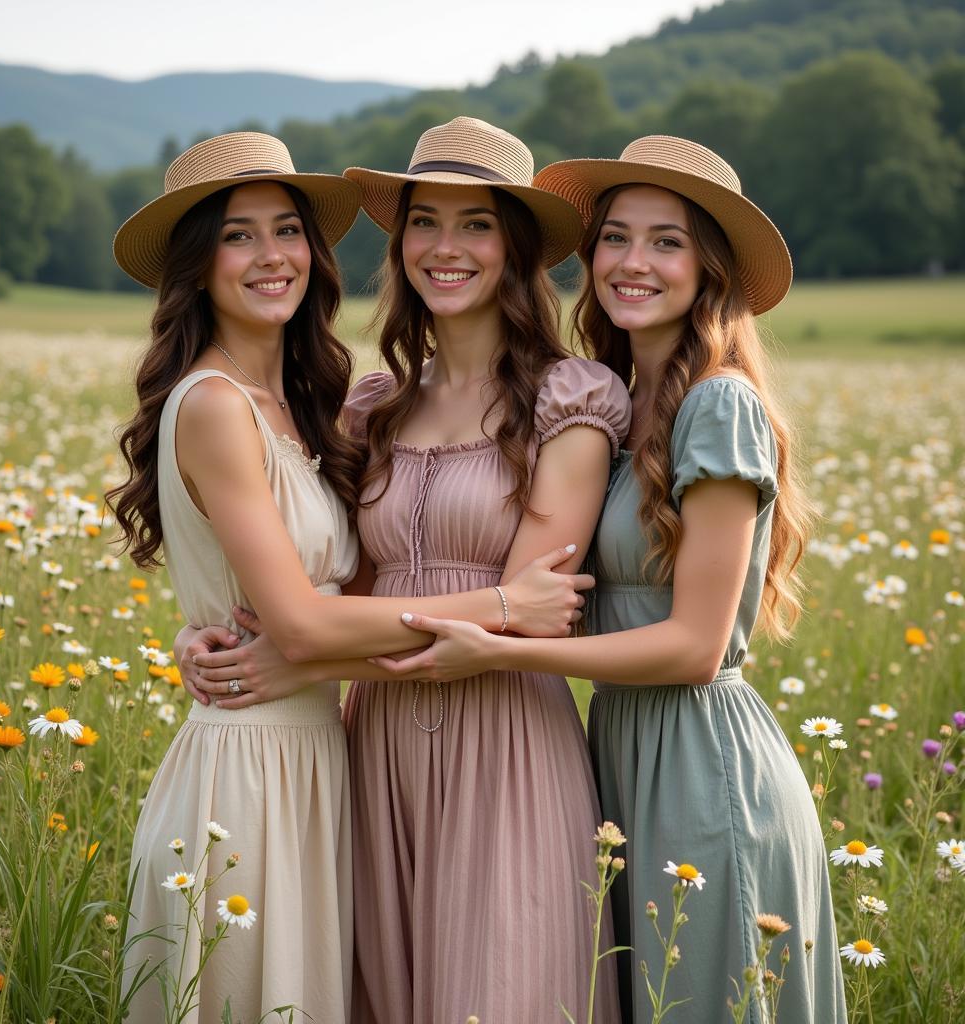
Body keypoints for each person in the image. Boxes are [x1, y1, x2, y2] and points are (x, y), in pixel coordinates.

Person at [113, 131, 589, 1024]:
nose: (271, 256)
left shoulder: (321, 407)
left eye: (286, 230)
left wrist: (301, 650)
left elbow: (324, 610)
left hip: (364, 752)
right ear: (196, 264)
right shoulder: (234, 405)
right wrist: (497, 604)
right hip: (265, 767)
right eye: (238, 235)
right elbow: (302, 620)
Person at [373, 136, 847, 1023]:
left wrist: (498, 651)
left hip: (703, 765)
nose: (633, 262)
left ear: (710, 269)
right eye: (616, 238)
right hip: (622, 751)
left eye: (666, 242)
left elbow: (697, 647)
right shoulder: (632, 406)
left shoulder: (720, 404)